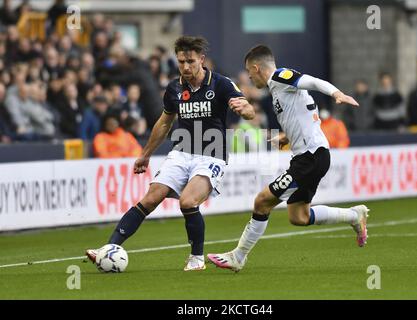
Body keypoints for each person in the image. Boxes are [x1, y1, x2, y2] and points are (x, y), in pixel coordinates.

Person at [86, 36, 255, 271]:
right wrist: (145, 154)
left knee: (187, 201)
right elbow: (164, 123)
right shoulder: (175, 88)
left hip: (211, 154)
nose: (186, 67)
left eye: (191, 61)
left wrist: (245, 109)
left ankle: (196, 259)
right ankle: (108, 248)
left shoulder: (221, 84)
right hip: (181, 152)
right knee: (150, 198)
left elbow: (248, 109)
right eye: (181, 61)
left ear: (201, 60)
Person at [207, 45, 369, 272]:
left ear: (256, 67)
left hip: (310, 157)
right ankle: (354, 215)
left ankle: (238, 256)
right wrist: (287, 137)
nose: (250, 77)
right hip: (311, 156)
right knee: (299, 216)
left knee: (262, 201)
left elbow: (312, 81)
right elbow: (305, 116)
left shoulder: (281, 76)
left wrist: (336, 94)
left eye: (249, 72)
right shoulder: (277, 89)